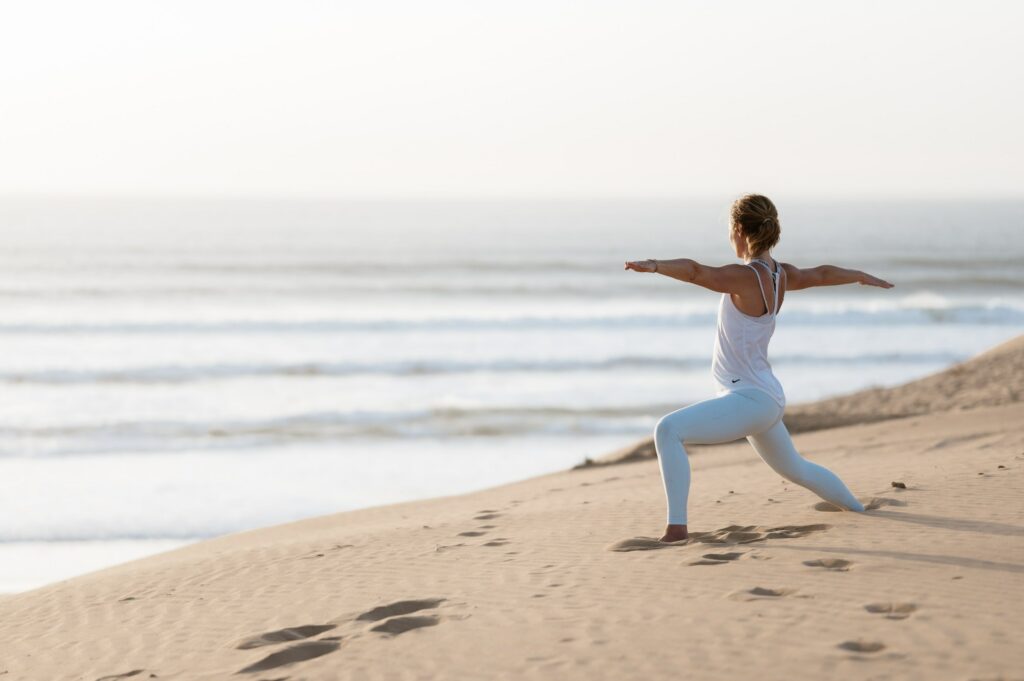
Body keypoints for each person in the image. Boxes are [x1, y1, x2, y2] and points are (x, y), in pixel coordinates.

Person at [624, 194, 894, 542]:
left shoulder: (745, 277)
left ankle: (677, 530)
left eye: (730, 232)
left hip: (749, 398)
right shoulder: (783, 275)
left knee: (668, 430)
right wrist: (859, 275)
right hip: (765, 395)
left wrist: (655, 265)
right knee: (797, 468)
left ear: (739, 230)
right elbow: (822, 273)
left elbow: (694, 271)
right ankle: (858, 510)